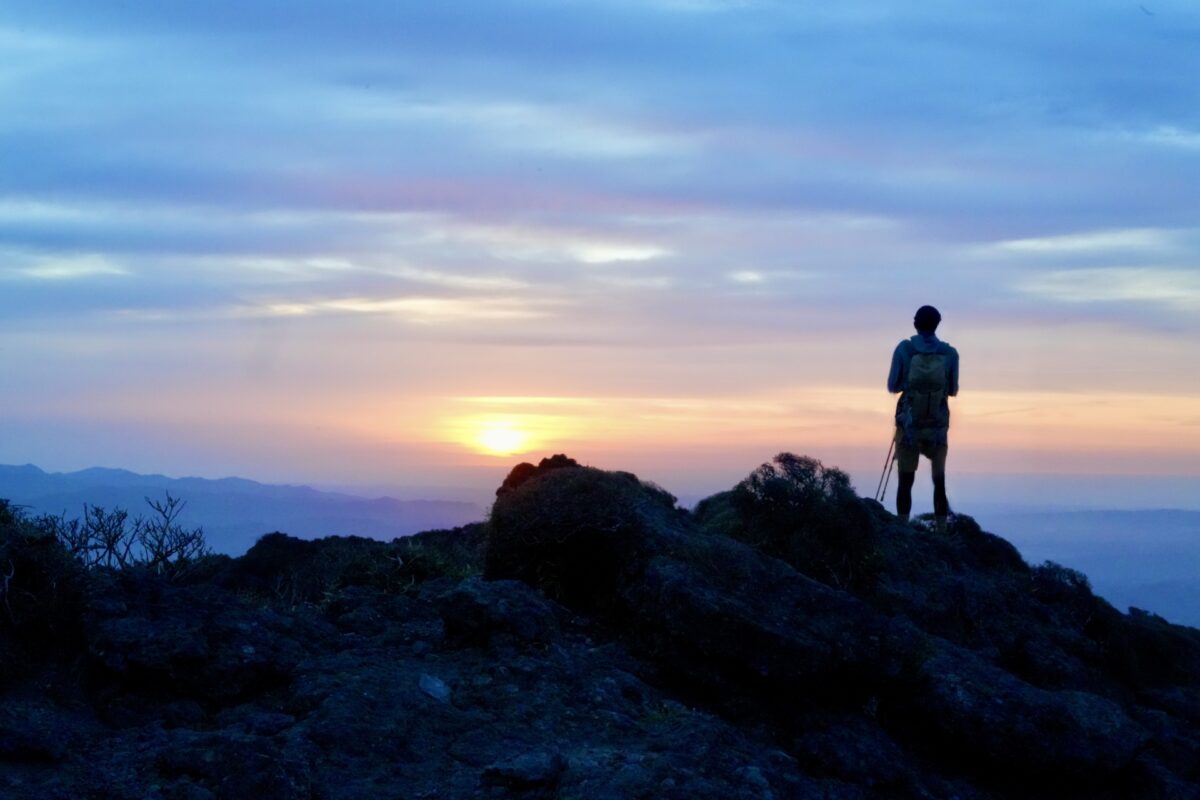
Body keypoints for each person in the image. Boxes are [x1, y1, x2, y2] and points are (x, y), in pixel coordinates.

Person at [887, 305, 959, 532]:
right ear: (937, 324)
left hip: (909, 425)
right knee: (939, 482)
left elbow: (893, 386)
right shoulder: (949, 354)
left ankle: (902, 531)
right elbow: (953, 390)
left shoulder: (904, 350)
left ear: (915, 323)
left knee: (905, 481)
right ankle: (941, 532)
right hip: (937, 425)